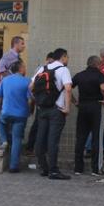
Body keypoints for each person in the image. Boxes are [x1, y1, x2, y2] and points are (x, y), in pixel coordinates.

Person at [31, 48, 73, 180]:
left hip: (42, 109)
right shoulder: (63, 69)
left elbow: (30, 87)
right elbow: (68, 88)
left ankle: (44, 168)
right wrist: (67, 108)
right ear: (63, 57)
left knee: (40, 138)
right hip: (57, 110)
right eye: (67, 57)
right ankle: (53, 171)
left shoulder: (42, 69)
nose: (68, 60)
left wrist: (39, 100)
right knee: (52, 141)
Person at [72, 56, 104, 176]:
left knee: (81, 137)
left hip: (82, 106)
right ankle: (96, 169)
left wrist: (75, 101)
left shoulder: (79, 75)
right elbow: (103, 88)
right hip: (96, 106)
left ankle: (78, 168)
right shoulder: (100, 75)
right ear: (97, 64)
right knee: (97, 137)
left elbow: (67, 88)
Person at [0, 60, 31, 172]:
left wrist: (1, 110)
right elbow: (30, 100)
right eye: (24, 67)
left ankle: (4, 140)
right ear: (20, 69)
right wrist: (30, 111)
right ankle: (13, 166)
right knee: (17, 139)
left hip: (6, 114)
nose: (25, 69)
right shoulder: (27, 81)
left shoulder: (5, 80)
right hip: (21, 115)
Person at [26, 52, 54, 156]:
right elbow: (32, 87)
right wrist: (34, 100)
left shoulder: (46, 69)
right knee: (37, 125)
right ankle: (30, 147)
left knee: (42, 126)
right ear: (47, 59)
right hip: (40, 101)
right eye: (50, 61)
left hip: (45, 101)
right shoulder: (41, 69)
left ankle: (39, 148)